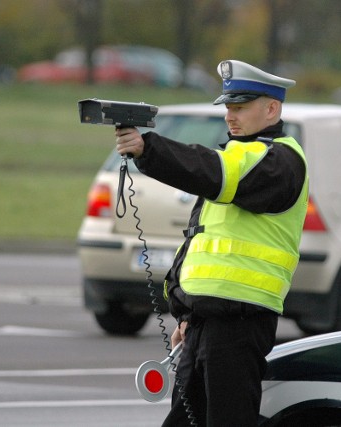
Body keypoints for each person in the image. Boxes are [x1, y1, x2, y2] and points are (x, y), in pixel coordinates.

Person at [115, 60, 308, 426]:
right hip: (206, 321)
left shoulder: (280, 160)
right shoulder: (239, 157)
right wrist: (186, 312)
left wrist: (148, 150)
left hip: (241, 319)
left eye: (240, 108)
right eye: (228, 108)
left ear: (272, 108)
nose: (229, 117)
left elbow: (212, 170)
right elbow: (199, 242)